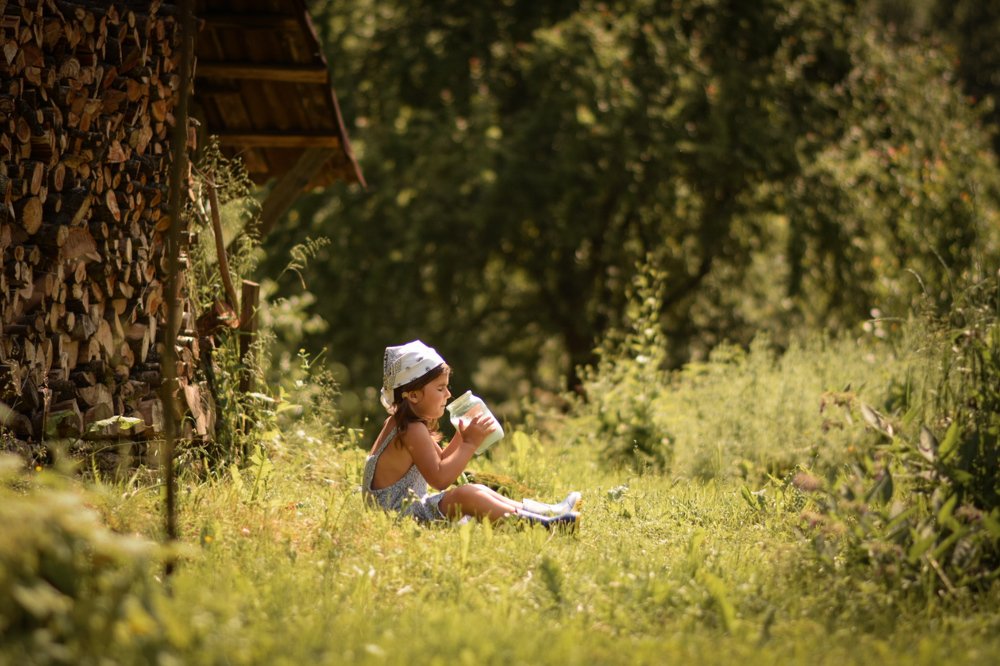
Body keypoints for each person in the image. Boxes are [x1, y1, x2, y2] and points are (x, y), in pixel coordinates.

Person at [362, 340, 580, 529]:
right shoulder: (411, 429)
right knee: (465, 495)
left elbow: (440, 461)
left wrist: (461, 434)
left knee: (474, 489)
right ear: (414, 395)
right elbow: (440, 479)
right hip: (397, 518)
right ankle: (543, 526)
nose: (448, 394)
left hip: (404, 510)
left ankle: (548, 513)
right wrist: (469, 443)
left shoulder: (405, 424)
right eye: (440, 389)